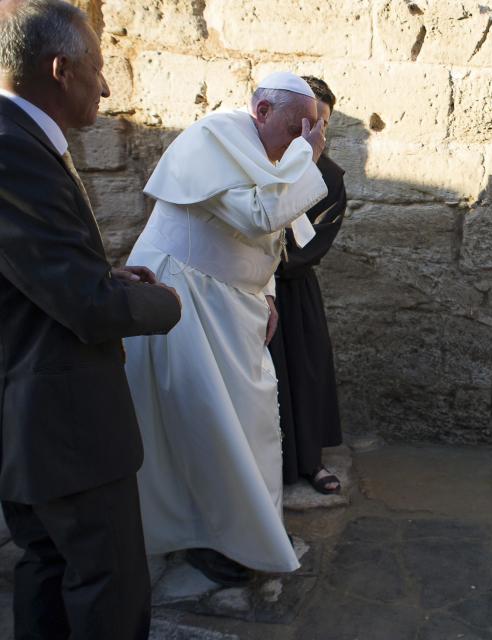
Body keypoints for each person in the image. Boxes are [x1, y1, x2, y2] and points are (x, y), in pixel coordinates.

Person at [0, 1, 183, 638]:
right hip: (61, 425)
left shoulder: (19, 141)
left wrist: (106, 275)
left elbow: (34, 275)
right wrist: (169, 304)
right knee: (109, 582)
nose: (106, 86)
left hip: (38, 424)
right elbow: (85, 308)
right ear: (61, 69)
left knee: (48, 567)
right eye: (99, 68)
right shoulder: (13, 151)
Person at [122, 71, 328, 587]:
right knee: (205, 427)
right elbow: (260, 213)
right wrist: (309, 156)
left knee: (247, 424)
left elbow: (269, 235)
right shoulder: (213, 139)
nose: (296, 144)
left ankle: (239, 534)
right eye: (293, 130)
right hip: (184, 300)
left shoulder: (266, 145)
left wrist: (269, 292)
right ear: (261, 111)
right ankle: (206, 537)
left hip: (231, 303)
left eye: (310, 132)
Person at [269, 76, 346, 495]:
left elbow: (314, 242)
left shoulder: (331, 178)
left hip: (294, 290)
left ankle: (311, 461)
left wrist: (269, 263)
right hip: (248, 288)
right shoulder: (259, 161)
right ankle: (273, 469)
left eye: (324, 126)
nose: (316, 134)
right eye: (309, 124)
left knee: (305, 371)